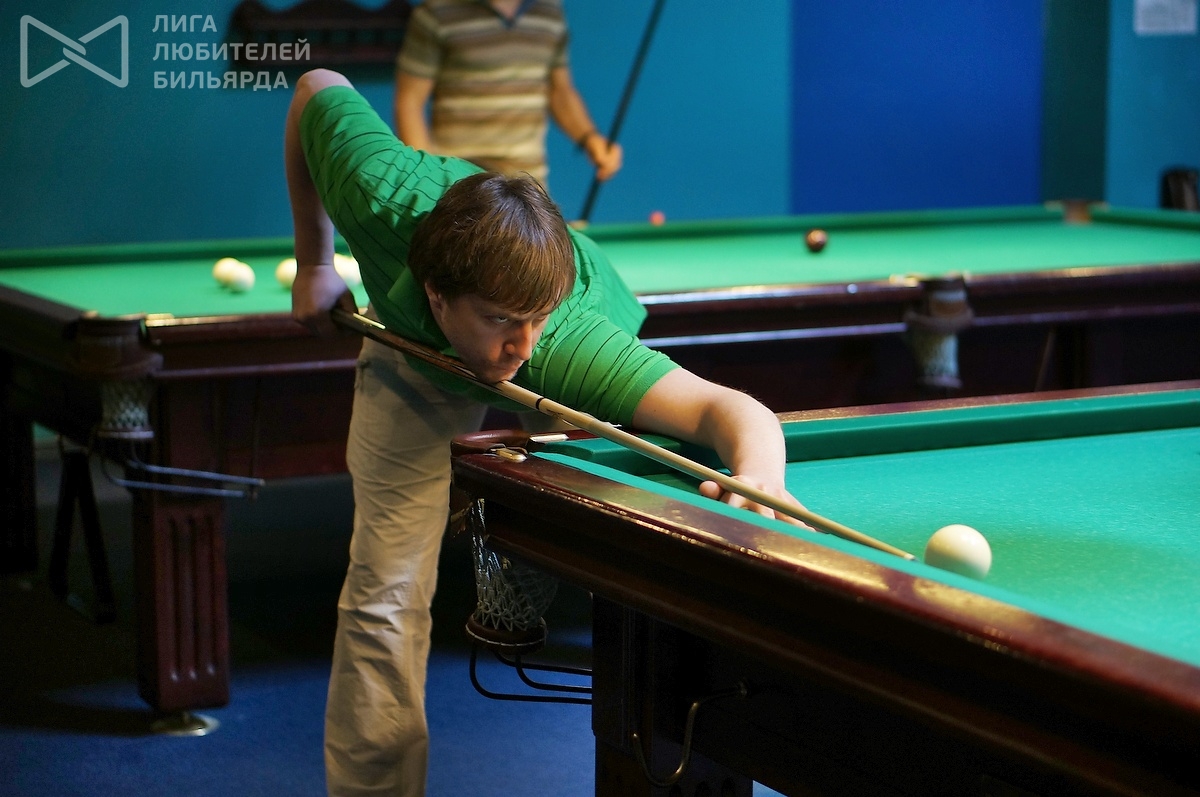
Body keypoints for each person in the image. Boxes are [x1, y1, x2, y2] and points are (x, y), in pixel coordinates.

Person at [286, 68, 803, 797]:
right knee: (384, 591)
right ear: (437, 295)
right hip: (412, 359)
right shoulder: (376, 189)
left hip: (564, 375)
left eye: (533, 320)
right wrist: (315, 261)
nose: (519, 345)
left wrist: (760, 475)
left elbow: (731, 410)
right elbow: (314, 88)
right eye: (500, 319)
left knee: (612, 535)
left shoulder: (561, 345)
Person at [393, 0, 621, 189]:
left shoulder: (549, 10)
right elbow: (410, 102)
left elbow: (560, 91)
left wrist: (590, 138)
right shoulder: (436, 12)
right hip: (460, 182)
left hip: (529, 184)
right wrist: (429, 178)